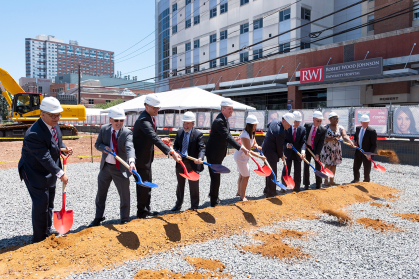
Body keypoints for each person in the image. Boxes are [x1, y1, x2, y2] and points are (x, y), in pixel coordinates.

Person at [18, 97, 73, 243]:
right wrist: (61, 173)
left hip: (49, 170)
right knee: (41, 203)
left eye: (58, 115)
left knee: (49, 203)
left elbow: (57, 141)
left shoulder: (54, 125)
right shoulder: (34, 134)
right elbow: (45, 157)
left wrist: (63, 148)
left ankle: (47, 231)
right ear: (42, 114)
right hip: (34, 171)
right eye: (53, 115)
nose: (57, 118)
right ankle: (39, 239)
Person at [132, 94, 182, 218]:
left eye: (158, 108)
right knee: (144, 184)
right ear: (146, 106)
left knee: (147, 183)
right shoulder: (144, 119)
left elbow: (151, 136)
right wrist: (171, 152)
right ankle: (142, 212)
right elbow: (153, 137)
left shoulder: (150, 117)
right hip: (141, 159)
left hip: (146, 158)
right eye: (154, 108)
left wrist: (162, 139)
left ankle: (146, 209)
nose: (157, 110)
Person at [89, 107, 136, 227]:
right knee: (101, 194)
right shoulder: (104, 129)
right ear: (110, 120)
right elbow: (97, 144)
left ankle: (124, 219)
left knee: (124, 194)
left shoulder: (127, 132)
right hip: (106, 167)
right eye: (116, 120)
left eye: (121, 120)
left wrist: (131, 161)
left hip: (120, 168)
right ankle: (98, 217)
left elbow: (130, 147)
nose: (119, 123)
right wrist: (104, 148)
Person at [206, 98, 249, 207]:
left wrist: (233, 138)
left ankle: (213, 195)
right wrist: (240, 147)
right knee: (216, 176)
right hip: (214, 153)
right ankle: (214, 201)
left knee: (216, 175)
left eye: (232, 109)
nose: (231, 111)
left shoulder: (223, 119)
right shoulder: (220, 121)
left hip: (217, 153)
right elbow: (226, 136)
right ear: (223, 109)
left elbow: (226, 135)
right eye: (229, 109)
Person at [171, 112, 205, 211]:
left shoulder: (198, 134)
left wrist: (200, 158)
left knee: (193, 186)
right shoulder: (180, 132)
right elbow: (176, 145)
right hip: (180, 162)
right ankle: (178, 205)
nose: (185, 126)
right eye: (184, 123)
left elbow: (201, 148)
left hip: (193, 163)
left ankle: (194, 206)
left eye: (188, 123)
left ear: (193, 124)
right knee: (180, 185)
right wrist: (176, 152)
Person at [262, 113, 295, 197]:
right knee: (273, 172)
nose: (289, 127)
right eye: (288, 125)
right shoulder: (281, 132)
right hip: (271, 152)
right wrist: (282, 156)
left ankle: (267, 188)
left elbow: (268, 125)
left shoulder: (275, 122)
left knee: (268, 170)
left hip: (265, 149)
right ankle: (271, 192)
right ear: (283, 121)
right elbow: (279, 147)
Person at [234, 115, 265, 201]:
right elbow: (248, 150)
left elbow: (253, 142)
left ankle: (239, 192)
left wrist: (257, 146)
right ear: (249, 125)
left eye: (255, 125)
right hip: (241, 156)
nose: (255, 127)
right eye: (253, 125)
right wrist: (260, 156)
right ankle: (242, 196)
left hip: (243, 156)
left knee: (241, 174)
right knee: (246, 176)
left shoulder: (250, 132)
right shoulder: (244, 134)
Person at [320, 112, 354, 186]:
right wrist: (332, 139)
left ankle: (332, 180)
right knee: (327, 164)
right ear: (330, 119)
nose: (336, 120)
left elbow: (345, 136)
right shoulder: (325, 127)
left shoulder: (340, 128)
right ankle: (326, 180)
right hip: (327, 149)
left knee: (334, 165)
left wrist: (350, 141)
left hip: (336, 149)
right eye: (334, 118)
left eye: (337, 118)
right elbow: (322, 138)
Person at [283, 111, 306, 192]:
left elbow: (303, 142)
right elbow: (282, 140)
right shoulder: (286, 128)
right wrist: (287, 145)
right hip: (288, 153)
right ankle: (283, 186)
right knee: (286, 170)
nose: (297, 123)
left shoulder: (302, 129)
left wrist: (303, 152)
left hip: (298, 153)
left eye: (298, 121)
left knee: (298, 171)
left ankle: (297, 187)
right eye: (295, 121)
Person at [303, 111, 327, 190]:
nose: (319, 122)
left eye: (320, 121)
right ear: (313, 119)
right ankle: (306, 184)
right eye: (317, 121)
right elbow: (303, 137)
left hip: (316, 149)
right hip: (307, 148)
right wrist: (304, 147)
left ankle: (318, 184)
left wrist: (317, 154)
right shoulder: (307, 126)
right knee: (306, 166)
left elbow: (321, 143)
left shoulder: (322, 129)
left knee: (318, 166)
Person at [351, 114, 377, 183]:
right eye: (363, 122)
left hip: (367, 152)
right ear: (361, 122)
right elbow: (355, 137)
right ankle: (356, 179)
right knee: (356, 166)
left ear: (368, 122)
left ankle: (366, 180)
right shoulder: (358, 128)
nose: (365, 124)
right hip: (358, 150)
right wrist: (354, 140)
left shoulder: (372, 131)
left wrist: (370, 154)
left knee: (367, 167)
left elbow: (374, 144)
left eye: (366, 123)